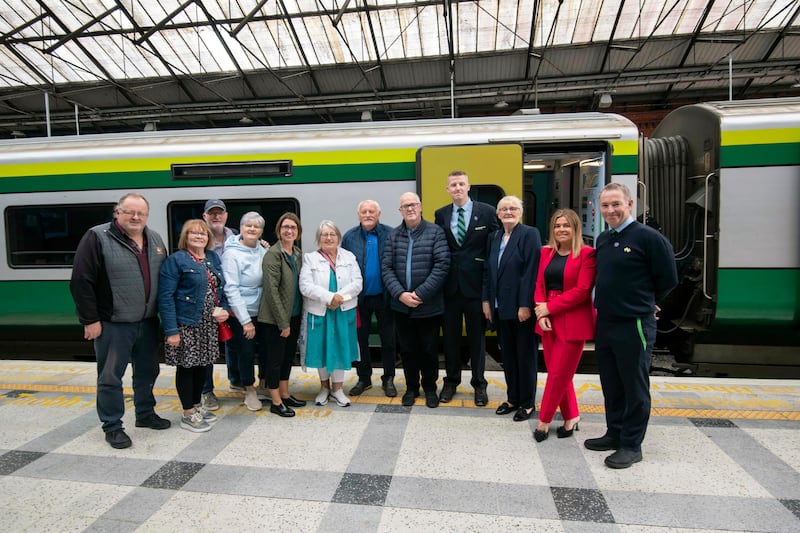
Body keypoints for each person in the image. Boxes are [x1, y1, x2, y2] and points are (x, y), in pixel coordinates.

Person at [584, 182, 678, 468]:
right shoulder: (603, 239)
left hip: (634, 323)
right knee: (612, 384)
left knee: (634, 385)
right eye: (605, 206)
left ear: (629, 205)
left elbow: (668, 278)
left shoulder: (648, 238)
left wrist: (647, 302)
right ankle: (614, 433)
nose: (610, 210)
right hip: (607, 321)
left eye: (616, 204)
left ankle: (632, 444)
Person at [70, 192, 170, 449]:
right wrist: (90, 319)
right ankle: (113, 426)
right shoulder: (97, 237)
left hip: (147, 321)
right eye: (130, 212)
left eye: (141, 213)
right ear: (118, 213)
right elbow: (82, 280)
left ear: (147, 215)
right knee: (110, 377)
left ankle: (145, 414)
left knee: (148, 371)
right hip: (113, 323)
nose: (136, 217)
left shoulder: (155, 238)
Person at [159, 220, 229, 432]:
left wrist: (224, 309)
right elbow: (165, 297)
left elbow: (221, 289)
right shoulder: (176, 260)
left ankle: (198, 406)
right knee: (187, 367)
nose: (199, 237)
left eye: (203, 234)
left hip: (208, 325)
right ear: (185, 237)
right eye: (194, 233)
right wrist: (171, 330)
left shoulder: (212, 258)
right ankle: (188, 413)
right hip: (187, 325)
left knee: (203, 366)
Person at [435, 170, 498, 406]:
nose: (457, 188)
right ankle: (451, 382)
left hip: (476, 288)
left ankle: (479, 385)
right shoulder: (441, 214)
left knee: (477, 340)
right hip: (450, 288)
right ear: (448, 189)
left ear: (468, 186)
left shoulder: (487, 212)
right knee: (450, 339)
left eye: (461, 184)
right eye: (453, 185)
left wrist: (488, 292)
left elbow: (492, 251)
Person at [532, 209, 596, 441]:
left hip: (573, 321)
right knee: (560, 373)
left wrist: (550, 307)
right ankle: (572, 416)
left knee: (558, 374)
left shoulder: (588, 255)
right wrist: (541, 312)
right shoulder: (546, 253)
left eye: (566, 225)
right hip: (548, 320)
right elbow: (539, 283)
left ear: (575, 228)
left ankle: (544, 420)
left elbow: (582, 291)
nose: (561, 229)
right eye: (558, 225)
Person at [382, 192, 450, 408]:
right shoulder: (394, 236)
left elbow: (442, 266)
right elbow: (387, 268)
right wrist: (401, 294)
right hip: (401, 307)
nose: (409, 209)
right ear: (400, 211)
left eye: (413, 205)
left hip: (428, 306)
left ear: (420, 207)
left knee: (429, 351)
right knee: (408, 351)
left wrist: (420, 294)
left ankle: (430, 388)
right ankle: (411, 388)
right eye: (405, 206)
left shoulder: (435, 232)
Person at [482, 196, 540, 422]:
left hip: (519, 308)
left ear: (521, 212)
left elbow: (530, 272)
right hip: (499, 307)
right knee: (508, 355)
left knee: (525, 356)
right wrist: (486, 300)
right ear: (497, 214)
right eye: (504, 209)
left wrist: (525, 304)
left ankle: (527, 402)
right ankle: (513, 398)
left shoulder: (529, 234)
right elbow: (488, 270)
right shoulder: (494, 237)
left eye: (513, 208)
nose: (508, 212)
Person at [299, 220, 363, 407]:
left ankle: (337, 389)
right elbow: (305, 286)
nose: (328, 238)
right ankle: (324, 388)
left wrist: (339, 298)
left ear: (338, 237)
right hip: (320, 312)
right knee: (322, 348)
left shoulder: (349, 256)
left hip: (342, 311)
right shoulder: (310, 258)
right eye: (324, 234)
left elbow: (357, 282)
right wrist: (329, 298)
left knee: (340, 349)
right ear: (319, 238)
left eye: (332, 234)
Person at [341, 200, 397, 397]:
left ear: (378, 214)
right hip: (359, 299)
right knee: (360, 340)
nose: (367, 214)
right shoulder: (349, 237)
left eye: (371, 211)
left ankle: (388, 378)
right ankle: (364, 378)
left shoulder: (391, 234)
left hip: (385, 297)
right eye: (363, 211)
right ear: (358, 215)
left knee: (388, 340)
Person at [257, 212, 307, 417]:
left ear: (298, 232)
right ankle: (275, 401)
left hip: (293, 315)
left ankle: (285, 394)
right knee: (274, 360)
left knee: (288, 358)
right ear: (279, 230)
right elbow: (271, 291)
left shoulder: (296, 253)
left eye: (293, 228)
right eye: (285, 227)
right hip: (275, 319)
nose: (289, 230)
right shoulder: (273, 255)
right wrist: (282, 323)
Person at [222, 212, 269, 412]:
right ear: (240, 229)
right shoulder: (231, 254)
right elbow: (231, 288)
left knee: (266, 350)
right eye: (248, 225)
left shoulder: (263, 250)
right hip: (243, 312)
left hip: (264, 310)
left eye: (256, 227)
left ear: (261, 231)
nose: (252, 229)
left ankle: (264, 385)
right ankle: (249, 389)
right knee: (246, 352)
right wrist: (245, 321)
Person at [200, 199, 238, 411]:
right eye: (211, 213)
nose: (216, 217)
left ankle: (235, 380)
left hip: (232, 300)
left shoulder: (236, 236)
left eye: (219, 213)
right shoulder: (200, 237)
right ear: (205, 216)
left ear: (226, 215)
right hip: (208, 302)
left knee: (232, 341)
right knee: (207, 348)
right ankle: (206, 391)